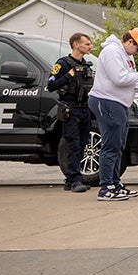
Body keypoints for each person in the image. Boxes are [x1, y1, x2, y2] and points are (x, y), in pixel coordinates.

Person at [87, 28, 138, 201]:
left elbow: (128, 81)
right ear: (130, 41)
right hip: (107, 101)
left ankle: (115, 183)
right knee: (111, 145)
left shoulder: (126, 55)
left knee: (118, 145)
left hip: (118, 102)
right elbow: (119, 78)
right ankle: (106, 187)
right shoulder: (112, 52)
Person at [46, 32, 95, 193]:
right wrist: (68, 76)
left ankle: (71, 179)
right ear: (76, 44)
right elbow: (51, 86)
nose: (90, 47)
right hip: (70, 108)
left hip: (85, 108)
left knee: (82, 144)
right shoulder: (63, 64)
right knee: (72, 144)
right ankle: (75, 179)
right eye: (86, 44)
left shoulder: (87, 65)